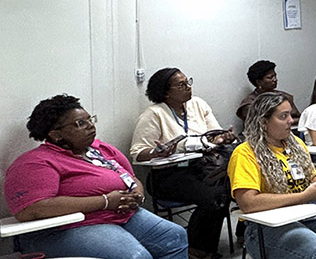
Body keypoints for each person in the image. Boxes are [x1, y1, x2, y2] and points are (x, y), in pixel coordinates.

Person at [5, 94, 187, 259]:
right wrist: (105, 201)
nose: (90, 125)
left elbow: (130, 177)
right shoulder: (36, 162)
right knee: (135, 256)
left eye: (89, 119)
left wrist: (137, 194)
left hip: (121, 216)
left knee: (174, 235)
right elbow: (31, 209)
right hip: (67, 229)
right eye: (80, 124)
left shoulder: (101, 149)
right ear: (56, 135)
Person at [228, 92, 316, 259]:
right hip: (270, 228)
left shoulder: (296, 144)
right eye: (283, 116)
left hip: (307, 217)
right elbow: (248, 203)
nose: (291, 121)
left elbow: (311, 178)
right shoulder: (245, 153)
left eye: (290, 115)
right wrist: (302, 196)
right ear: (264, 122)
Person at [130, 68, 235, 259]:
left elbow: (214, 133)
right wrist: (157, 152)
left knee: (230, 188)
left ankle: (200, 247)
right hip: (168, 175)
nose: (188, 87)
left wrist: (223, 138)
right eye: (182, 85)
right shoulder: (154, 114)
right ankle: (196, 248)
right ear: (166, 92)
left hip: (203, 167)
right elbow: (137, 154)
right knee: (214, 195)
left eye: (188, 82)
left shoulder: (198, 104)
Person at [236, 60, 301, 122]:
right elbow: (261, 123)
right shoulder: (250, 103)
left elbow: (298, 118)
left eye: (275, 76)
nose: (275, 79)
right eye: (270, 77)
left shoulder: (284, 97)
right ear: (258, 82)